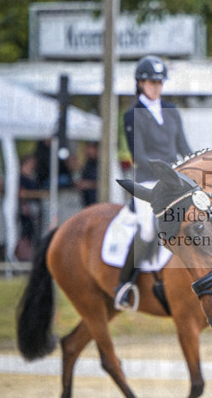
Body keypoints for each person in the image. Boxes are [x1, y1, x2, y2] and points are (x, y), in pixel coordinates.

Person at [114, 55, 192, 311]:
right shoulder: (132, 114)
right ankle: (124, 285)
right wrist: (168, 172)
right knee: (148, 229)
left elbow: (183, 146)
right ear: (140, 83)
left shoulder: (171, 111)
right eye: (150, 82)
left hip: (175, 180)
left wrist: (197, 166)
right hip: (148, 181)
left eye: (159, 82)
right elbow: (139, 156)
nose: (155, 86)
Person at [17, 153, 44, 254]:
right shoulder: (20, 177)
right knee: (25, 232)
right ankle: (23, 253)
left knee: (34, 232)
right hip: (25, 209)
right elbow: (21, 192)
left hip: (34, 209)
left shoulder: (33, 177)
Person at [76, 142, 99, 207]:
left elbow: (104, 183)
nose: (88, 151)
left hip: (97, 200)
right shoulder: (88, 163)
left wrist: (88, 184)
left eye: (90, 148)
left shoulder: (101, 164)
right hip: (87, 200)